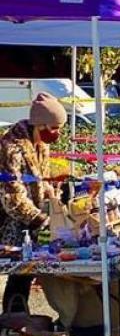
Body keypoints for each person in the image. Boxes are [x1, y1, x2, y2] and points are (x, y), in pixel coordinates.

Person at [0, 93, 65, 312]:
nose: (57, 133)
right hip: (7, 223)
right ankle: (12, 323)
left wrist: (53, 197)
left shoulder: (41, 147)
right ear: (40, 124)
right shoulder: (11, 148)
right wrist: (38, 218)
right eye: (54, 127)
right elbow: (12, 194)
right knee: (17, 275)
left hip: (27, 225)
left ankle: (17, 320)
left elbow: (40, 181)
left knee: (24, 276)